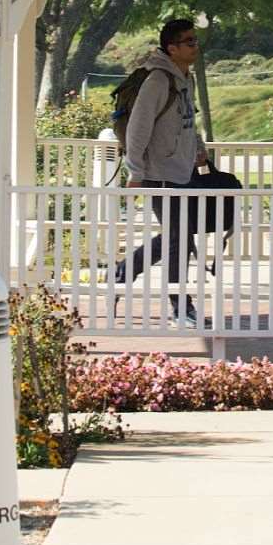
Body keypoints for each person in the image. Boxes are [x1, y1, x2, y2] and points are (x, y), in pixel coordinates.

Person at [112, 18, 211, 326]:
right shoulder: (157, 80)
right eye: (189, 42)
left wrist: (197, 148)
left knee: (180, 236)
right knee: (179, 240)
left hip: (182, 170)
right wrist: (136, 172)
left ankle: (123, 271)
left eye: (195, 40)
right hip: (159, 172)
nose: (195, 46)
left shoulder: (186, 78)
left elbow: (187, 119)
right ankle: (181, 306)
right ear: (172, 48)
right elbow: (139, 129)